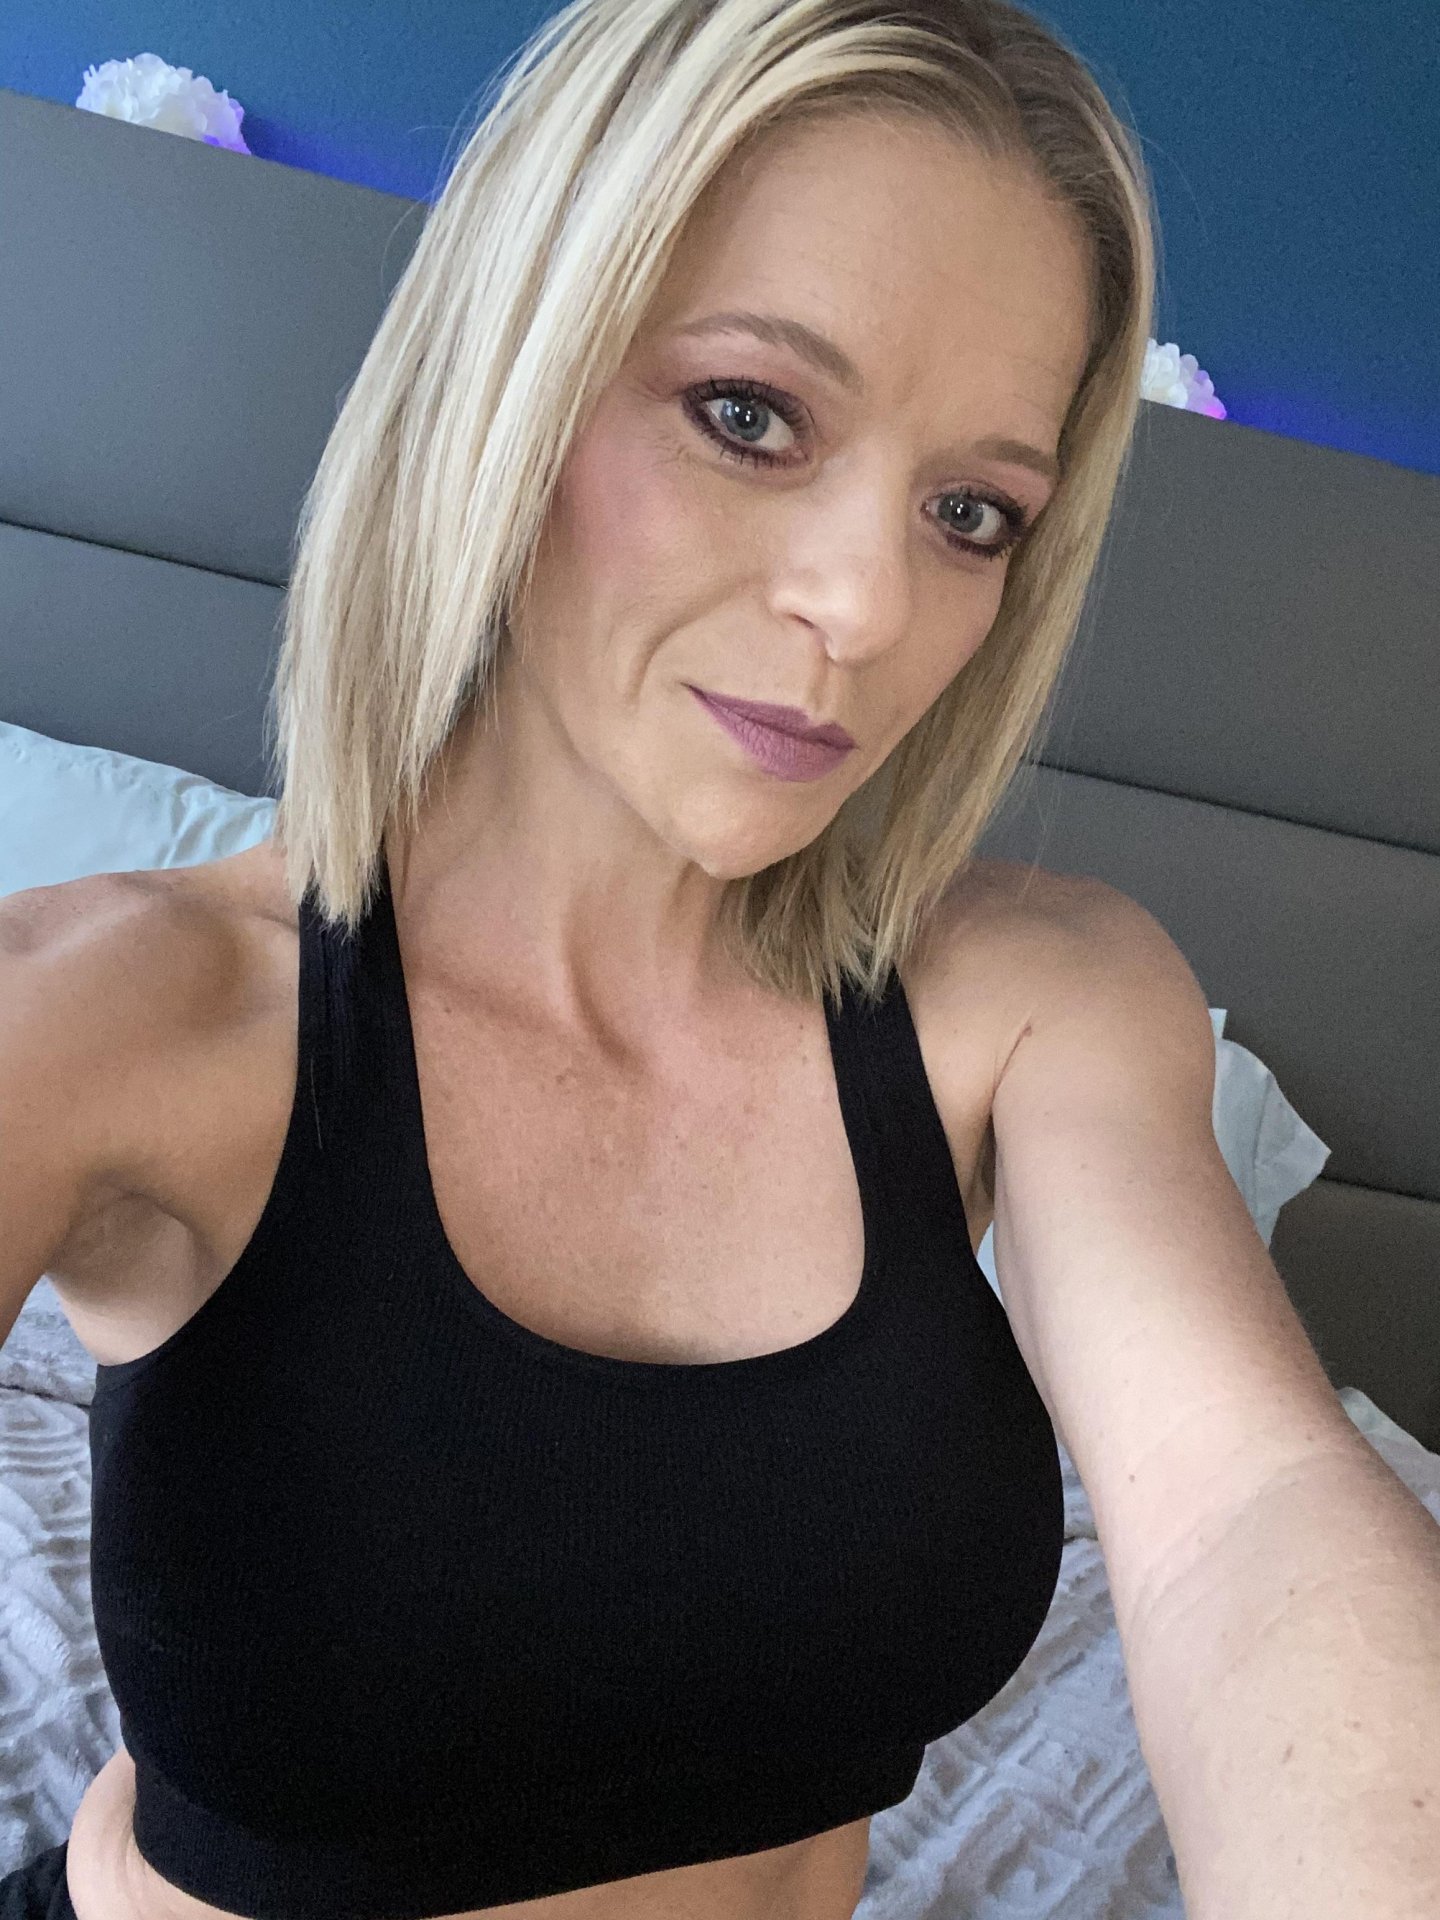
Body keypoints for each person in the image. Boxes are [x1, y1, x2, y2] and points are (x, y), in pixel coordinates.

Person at [0, 1, 1156, 1916]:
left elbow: (1260, 1508)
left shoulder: (1023, 1002)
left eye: (973, 513)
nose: (868, 605)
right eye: (749, 414)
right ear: (509, 380)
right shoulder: (108, 1011)